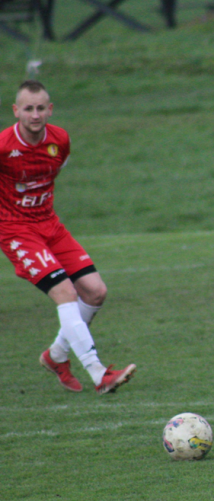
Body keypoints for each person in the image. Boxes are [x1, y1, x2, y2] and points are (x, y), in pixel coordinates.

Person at [0, 80, 136, 394]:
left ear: (50, 109)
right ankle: (98, 372)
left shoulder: (60, 139)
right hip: (16, 230)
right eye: (28, 108)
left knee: (95, 291)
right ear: (15, 111)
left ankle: (57, 355)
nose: (34, 114)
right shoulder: (4, 146)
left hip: (50, 224)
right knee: (65, 293)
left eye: (40, 108)